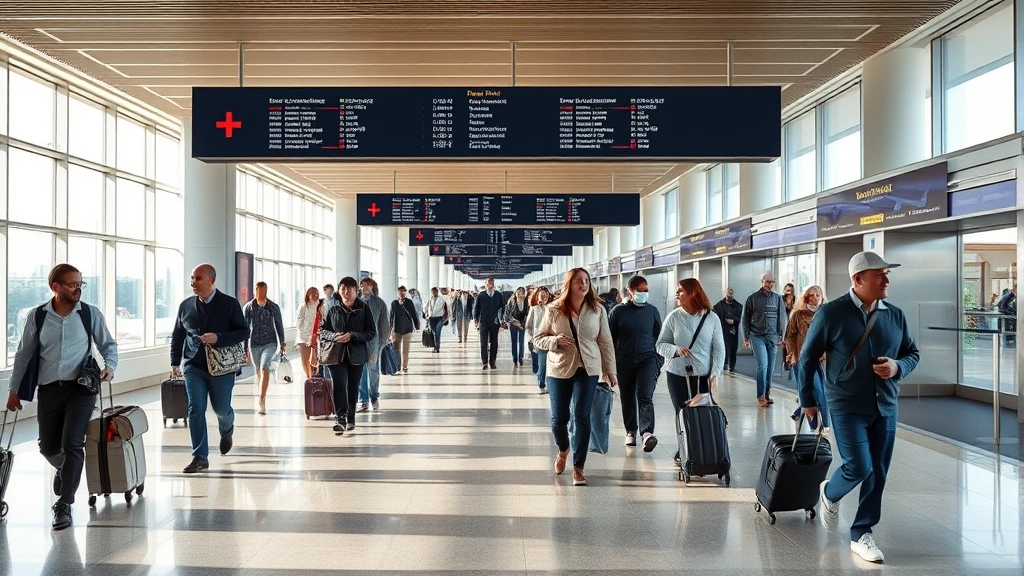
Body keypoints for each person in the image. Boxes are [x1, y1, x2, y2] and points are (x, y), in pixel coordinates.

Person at [800, 251, 920, 564]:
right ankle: (830, 492)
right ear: (858, 279)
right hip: (846, 404)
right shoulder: (832, 313)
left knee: (877, 472)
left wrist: (897, 367)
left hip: (886, 405)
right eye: (880, 274)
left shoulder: (895, 314)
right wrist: (808, 401)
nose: (886, 280)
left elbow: (912, 353)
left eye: (887, 274)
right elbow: (807, 359)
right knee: (859, 466)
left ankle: (861, 532)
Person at [7, 264, 117, 530]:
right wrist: (13, 390)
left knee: (73, 443)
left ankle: (64, 503)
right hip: (49, 389)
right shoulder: (37, 317)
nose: (78, 288)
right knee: (47, 446)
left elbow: (108, 345)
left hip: (81, 388)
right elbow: (23, 355)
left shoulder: (90, 314)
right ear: (56, 287)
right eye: (72, 284)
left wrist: (110, 367)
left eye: (80, 283)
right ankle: (66, 469)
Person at [532, 268, 618, 486]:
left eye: (587, 280)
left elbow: (605, 341)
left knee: (582, 416)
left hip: (588, 369)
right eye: (579, 281)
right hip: (559, 368)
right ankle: (563, 449)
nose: (584, 284)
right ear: (569, 284)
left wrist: (610, 370)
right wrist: (554, 341)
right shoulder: (553, 310)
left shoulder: (597, 309)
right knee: (558, 419)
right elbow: (538, 339)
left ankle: (578, 468)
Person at [170, 264, 249, 474]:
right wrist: (174, 361)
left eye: (198, 278)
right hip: (194, 366)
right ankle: (200, 456)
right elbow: (178, 334)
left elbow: (243, 331)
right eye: (192, 278)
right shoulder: (185, 306)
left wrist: (219, 338)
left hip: (222, 367)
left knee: (221, 409)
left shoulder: (229, 304)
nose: (193, 282)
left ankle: (227, 429)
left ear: (211, 280)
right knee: (195, 409)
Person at [656, 278, 725, 467]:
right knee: (682, 412)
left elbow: (719, 348)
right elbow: (660, 345)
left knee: (702, 411)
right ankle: (684, 450)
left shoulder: (711, 318)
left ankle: (702, 451)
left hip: (703, 375)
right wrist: (675, 350)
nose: (677, 294)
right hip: (677, 374)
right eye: (677, 291)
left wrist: (715, 373)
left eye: (680, 291)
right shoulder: (673, 317)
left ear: (692, 293)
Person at [608, 275, 663, 453]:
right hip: (624, 360)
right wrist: (610, 366)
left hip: (648, 359)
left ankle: (647, 432)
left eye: (646, 290)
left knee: (644, 395)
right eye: (640, 290)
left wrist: (658, 360)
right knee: (627, 397)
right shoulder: (618, 312)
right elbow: (609, 340)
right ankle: (631, 430)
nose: (644, 293)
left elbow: (659, 337)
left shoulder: (652, 311)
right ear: (630, 292)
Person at [318, 277, 376, 434]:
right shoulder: (333, 310)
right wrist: (334, 337)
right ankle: (340, 418)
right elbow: (322, 331)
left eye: (349, 289)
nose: (346, 292)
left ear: (356, 291)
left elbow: (371, 332)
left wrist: (352, 335)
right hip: (335, 354)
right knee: (339, 385)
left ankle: (351, 418)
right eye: (343, 289)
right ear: (339, 290)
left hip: (356, 355)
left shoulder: (363, 309)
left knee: (352, 386)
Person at [785, 286, 827, 429]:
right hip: (800, 358)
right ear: (806, 297)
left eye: (817, 295)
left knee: (819, 390)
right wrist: (791, 352)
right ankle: (817, 424)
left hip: (818, 358)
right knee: (807, 389)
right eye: (811, 295)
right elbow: (789, 336)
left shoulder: (825, 315)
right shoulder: (798, 315)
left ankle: (820, 422)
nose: (814, 298)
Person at [742, 272, 787, 407]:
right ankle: (760, 395)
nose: (770, 285)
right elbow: (745, 320)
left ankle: (767, 394)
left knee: (770, 367)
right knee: (762, 365)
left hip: (773, 338)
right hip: (757, 336)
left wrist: (782, 335)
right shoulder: (752, 298)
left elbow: (782, 317)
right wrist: (746, 336)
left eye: (772, 282)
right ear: (762, 281)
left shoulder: (778, 299)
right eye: (767, 282)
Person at [243, 281, 286, 416]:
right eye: (259, 289)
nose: (262, 292)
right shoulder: (249, 307)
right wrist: (245, 348)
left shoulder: (273, 307)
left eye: (264, 289)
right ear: (255, 290)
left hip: (270, 343)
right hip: (254, 343)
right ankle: (263, 396)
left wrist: (283, 342)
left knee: (264, 366)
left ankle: (261, 400)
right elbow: (245, 329)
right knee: (258, 372)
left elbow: (279, 324)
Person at [357, 278, 391, 412]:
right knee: (361, 370)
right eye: (363, 285)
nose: (365, 287)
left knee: (373, 369)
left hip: (374, 342)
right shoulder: (355, 302)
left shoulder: (379, 303)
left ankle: (374, 396)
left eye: (368, 285)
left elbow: (384, 324)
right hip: (358, 342)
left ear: (372, 287)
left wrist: (382, 343)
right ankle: (363, 400)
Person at [474, 277, 506, 370]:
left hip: (494, 322)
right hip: (483, 321)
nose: (489, 286)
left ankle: (492, 362)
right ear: (485, 285)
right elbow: (477, 308)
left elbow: (502, 308)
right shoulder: (481, 295)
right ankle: (484, 362)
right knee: (483, 342)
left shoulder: (498, 295)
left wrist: (502, 321)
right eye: (488, 284)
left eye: (491, 284)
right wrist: (476, 318)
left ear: (493, 285)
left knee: (494, 342)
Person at [526, 286, 553, 395]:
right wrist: (531, 339)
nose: (544, 296)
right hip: (539, 341)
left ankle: (551, 385)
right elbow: (528, 326)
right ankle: (541, 385)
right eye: (541, 294)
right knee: (542, 365)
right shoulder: (534, 308)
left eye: (546, 294)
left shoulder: (552, 308)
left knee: (551, 365)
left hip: (551, 339)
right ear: (537, 296)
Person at [712, 288, 743, 374]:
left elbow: (739, 316)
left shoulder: (737, 305)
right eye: (728, 294)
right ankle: (724, 364)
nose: (730, 296)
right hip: (723, 329)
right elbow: (715, 315)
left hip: (733, 330)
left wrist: (734, 321)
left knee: (733, 347)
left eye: (731, 294)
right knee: (724, 347)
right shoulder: (719, 306)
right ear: (725, 294)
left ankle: (731, 365)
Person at [389, 286, 419, 373]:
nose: (401, 293)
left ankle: (404, 366)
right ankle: (398, 367)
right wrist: (389, 329)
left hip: (407, 329)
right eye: (399, 291)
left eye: (403, 291)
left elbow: (413, 314)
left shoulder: (409, 302)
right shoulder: (394, 303)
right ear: (397, 293)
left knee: (405, 350)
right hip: (396, 329)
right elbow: (391, 316)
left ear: (405, 292)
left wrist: (417, 326)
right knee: (396, 349)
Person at [296, 287, 320, 381]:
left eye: (316, 292)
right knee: (305, 361)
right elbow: (299, 321)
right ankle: (309, 379)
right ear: (307, 295)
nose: (315, 294)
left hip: (317, 337)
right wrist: (304, 332)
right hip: (304, 338)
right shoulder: (303, 306)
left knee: (316, 361)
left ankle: (316, 377)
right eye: (312, 292)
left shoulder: (321, 306)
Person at [504, 287, 530, 367]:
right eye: (518, 292)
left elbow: (528, 315)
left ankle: (521, 358)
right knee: (514, 343)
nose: (519, 294)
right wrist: (514, 322)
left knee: (521, 342)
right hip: (513, 325)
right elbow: (506, 316)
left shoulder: (526, 303)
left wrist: (522, 324)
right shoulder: (511, 302)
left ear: (524, 294)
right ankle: (514, 360)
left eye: (521, 292)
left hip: (522, 325)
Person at [425, 287, 450, 353]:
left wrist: (446, 318)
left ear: (437, 292)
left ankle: (437, 348)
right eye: (432, 292)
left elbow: (447, 309)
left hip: (440, 318)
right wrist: (426, 314)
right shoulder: (430, 300)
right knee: (434, 333)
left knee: (437, 333)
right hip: (432, 318)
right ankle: (435, 347)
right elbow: (426, 308)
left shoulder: (442, 300)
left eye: (435, 292)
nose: (433, 293)